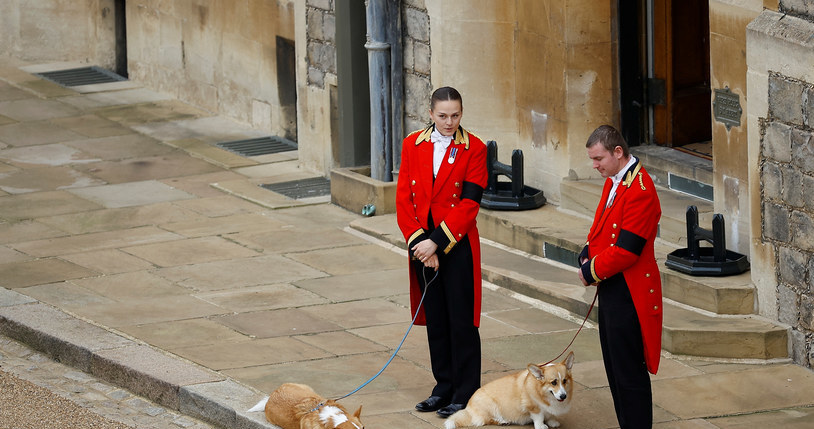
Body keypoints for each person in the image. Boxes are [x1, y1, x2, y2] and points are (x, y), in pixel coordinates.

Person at [395, 86, 487, 418]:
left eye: (456, 115)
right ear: (431, 114)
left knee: (461, 320)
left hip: (457, 245)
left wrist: (437, 242)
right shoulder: (411, 145)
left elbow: (470, 203)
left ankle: (466, 391)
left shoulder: (474, 148)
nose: (450, 122)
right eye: (443, 116)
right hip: (422, 247)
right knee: (436, 319)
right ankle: (443, 386)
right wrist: (422, 245)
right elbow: (404, 199)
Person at [577, 125, 663, 428]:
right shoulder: (615, 181)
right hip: (614, 286)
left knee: (628, 372)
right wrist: (586, 251)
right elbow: (602, 228)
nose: (595, 165)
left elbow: (627, 251)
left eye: (598, 158)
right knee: (614, 367)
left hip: (630, 292)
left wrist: (589, 271)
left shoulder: (640, 190)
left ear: (617, 152)